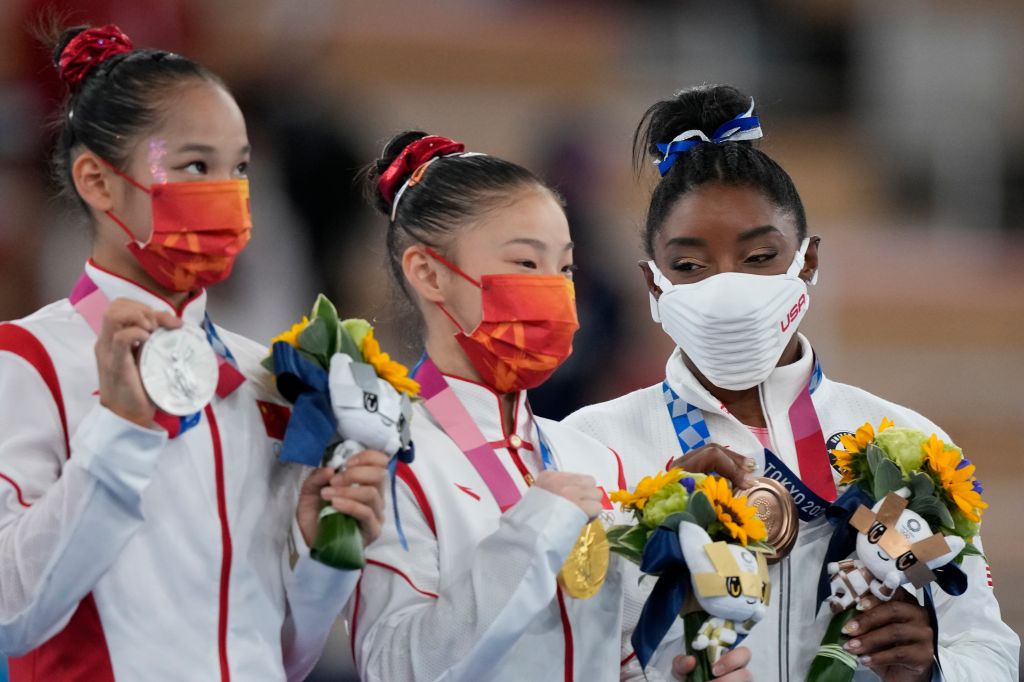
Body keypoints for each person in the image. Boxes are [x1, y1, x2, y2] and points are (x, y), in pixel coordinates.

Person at [563, 84, 1020, 681]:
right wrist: (649, 534)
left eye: (758, 259)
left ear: (807, 263)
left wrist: (931, 669)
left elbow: (987, 649)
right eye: (690, 266)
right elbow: (553, 651)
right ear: (654, 285)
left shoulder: (909, 450)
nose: (726, 290)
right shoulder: (588, 446)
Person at [0, 24, 387, 681]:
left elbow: (283, 658)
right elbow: (13, 615)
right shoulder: (27, 359)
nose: (230, 192)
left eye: (239, 167)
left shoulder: (269, 379)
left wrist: (324, 553)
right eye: (194, 166)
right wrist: (118, 433)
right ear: (97, 180)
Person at [345, 131, 743, 681]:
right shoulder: (387, 455)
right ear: (429, 273)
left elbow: (616, 660)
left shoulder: (593, 459)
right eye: (527, 265)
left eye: (565, 270)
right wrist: (533, 531)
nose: (554, 291)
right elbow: (394, 668)